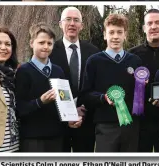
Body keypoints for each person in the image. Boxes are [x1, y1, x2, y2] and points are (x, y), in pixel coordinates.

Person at [78, 14, 142, 152]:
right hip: (105, 126)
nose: (115, 36)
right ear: (105, 35)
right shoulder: (94, 61)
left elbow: (140, 94)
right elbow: (85, 95)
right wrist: (103, 98)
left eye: (120, 32)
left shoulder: (135, 61)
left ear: (125, 35)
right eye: (111, 32)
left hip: (131, 125)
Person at [15, 23, 82, 152]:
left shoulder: (58, 71)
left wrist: (70, 120)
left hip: (57, 138)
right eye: (41, 43)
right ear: (31, 43)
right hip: (33, 139)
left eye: (49, 43)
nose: (46, 47)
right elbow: (19, 108)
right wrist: (40, 102)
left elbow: (64, 104)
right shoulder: (24, 71)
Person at [50, 7, 99, 152]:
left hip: (85, 120)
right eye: (68, 19)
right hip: (57, 122)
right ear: (60, 24)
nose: (72, 23)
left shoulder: (93, 52)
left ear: (82, 26)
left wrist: (82, 108)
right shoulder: (50, 51)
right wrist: (69, 111)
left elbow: (95, 84)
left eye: (76, 20)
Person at [128, 8, 159, 153]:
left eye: (157, 22)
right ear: (144, 28)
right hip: (140, 123)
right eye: (150, 23)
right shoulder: (133, 54)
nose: (153, 26)